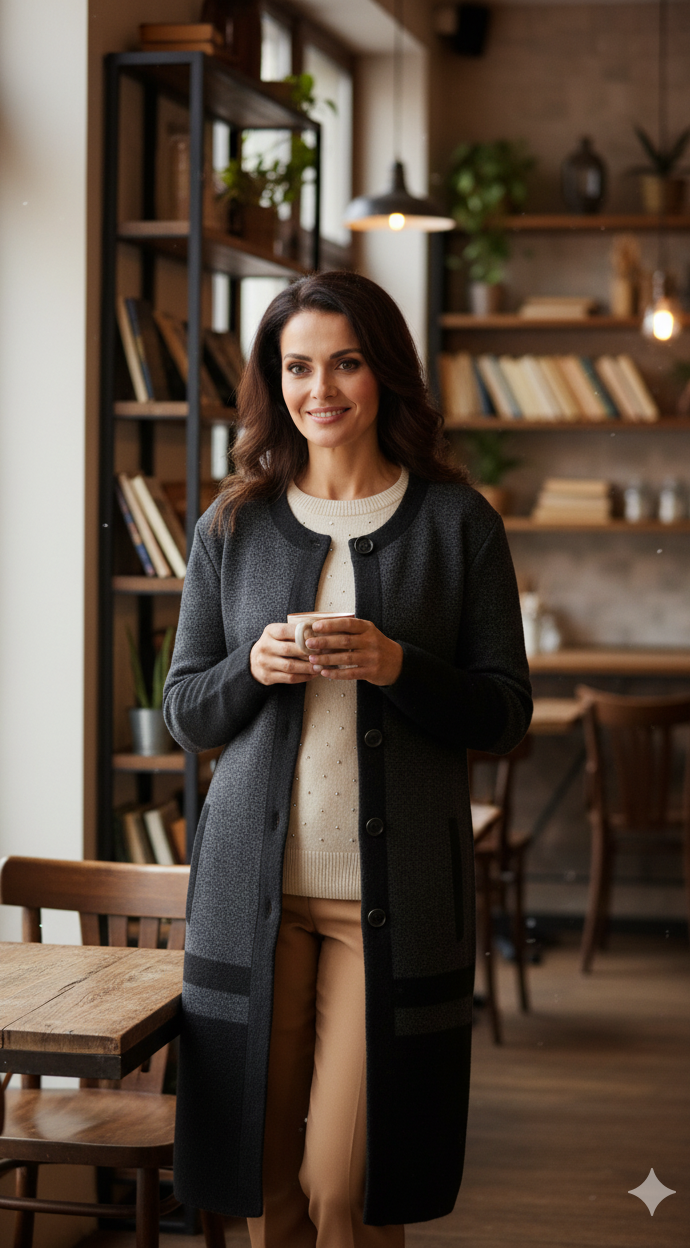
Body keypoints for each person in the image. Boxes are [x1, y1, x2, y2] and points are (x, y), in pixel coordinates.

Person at [163, 270, 531, 1247]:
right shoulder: (231, 525)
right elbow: (186, 712)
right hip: (252, 898)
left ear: (384, 374)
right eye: (295, 367)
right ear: (271, 383)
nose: (318, 389)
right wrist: (252, 666)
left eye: (344, 362)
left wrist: (397, 663)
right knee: (263, 1182)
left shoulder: (459, 526)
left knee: (344, 1187)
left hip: (395, 905)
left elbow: (505, 716)